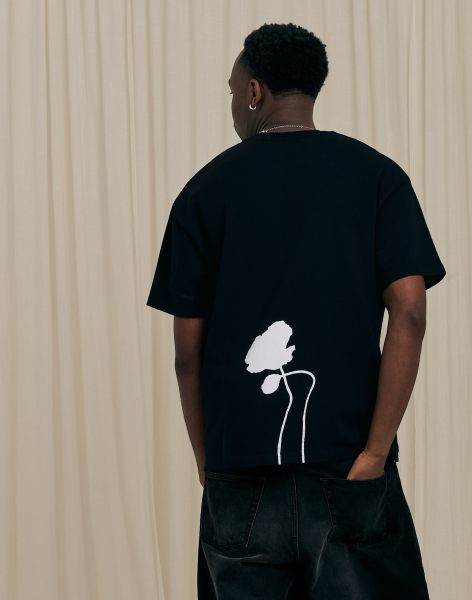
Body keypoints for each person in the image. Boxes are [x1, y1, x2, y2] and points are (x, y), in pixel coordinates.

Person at [146, 21, 446, 600]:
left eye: (233, 90)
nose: (233, 104)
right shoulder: (378, 178)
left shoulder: (205, 191)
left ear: (254, 91)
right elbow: (409, 314)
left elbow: (187, 354)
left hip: (241, 472)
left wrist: (211, 464)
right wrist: (375, 452)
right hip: (348, 466)